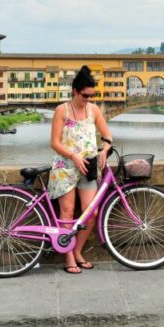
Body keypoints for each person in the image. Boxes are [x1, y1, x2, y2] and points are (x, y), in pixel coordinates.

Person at [48, 65, 113, 274]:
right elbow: (55, 143)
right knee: (66, 213)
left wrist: (105, 149)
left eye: (91, 95)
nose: (88, 99)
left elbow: (108, 137)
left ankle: (77, 251)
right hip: (65, 168)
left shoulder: (93, 110)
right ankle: (68, 258)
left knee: (91, 212)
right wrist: (73, 156)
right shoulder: (61, 110)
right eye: (85, 95)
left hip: (88, 168)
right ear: (75, 91)